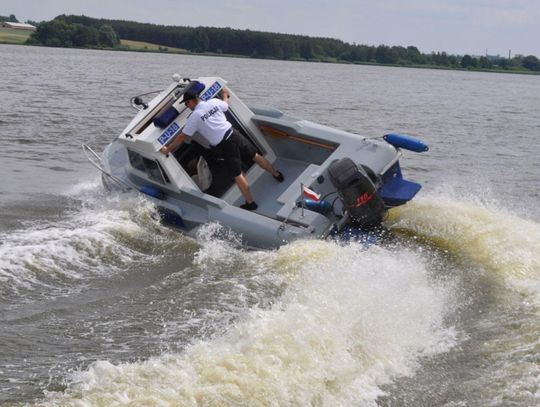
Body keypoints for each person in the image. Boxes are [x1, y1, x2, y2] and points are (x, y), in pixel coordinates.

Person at [159, 87, 283, 211]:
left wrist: (167, 150)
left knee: (237, 174)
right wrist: (224, 95)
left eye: (186, 104)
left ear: (191, 101)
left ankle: (250, 203)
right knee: (255, 155)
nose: (187, 106)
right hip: (235, 134)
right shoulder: (213, 102)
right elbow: (225, 104)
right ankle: (276, 174)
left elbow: (182, 136)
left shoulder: (195, 116)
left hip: (225, 144)